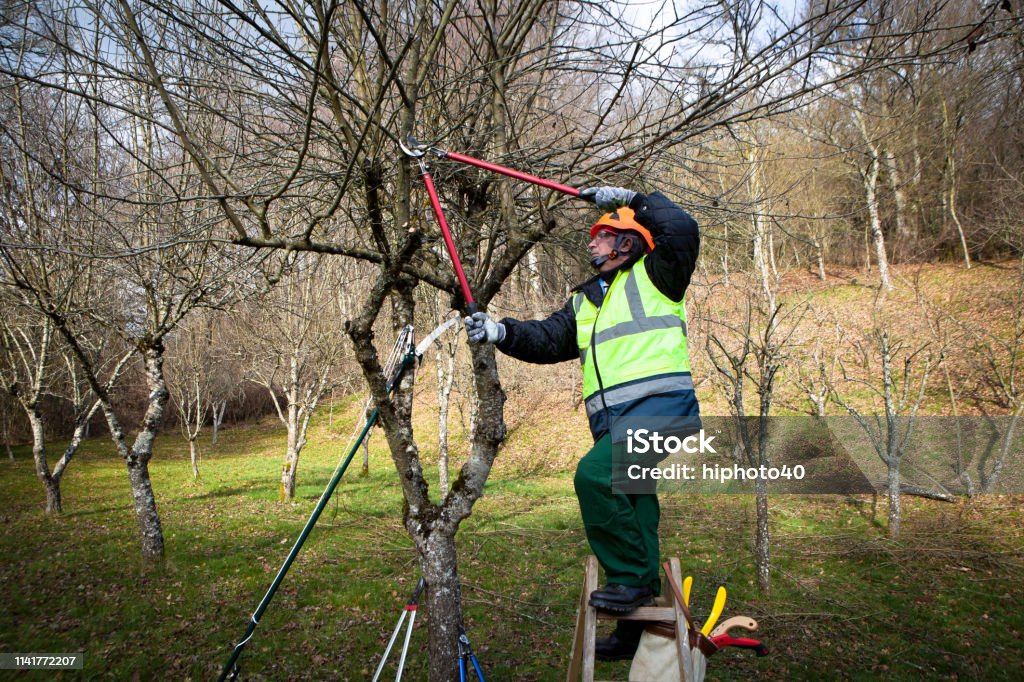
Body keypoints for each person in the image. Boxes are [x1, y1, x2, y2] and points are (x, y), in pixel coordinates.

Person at [464, 185, 701, 660]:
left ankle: (630, 581)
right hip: (617, 422)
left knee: (594, 477)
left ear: (627, 243)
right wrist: (499, 331)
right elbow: (548, 340)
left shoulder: (659, 275)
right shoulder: (585, 301)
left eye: (601, 235)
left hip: (660, 409)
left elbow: (681, 228)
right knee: (637, 509)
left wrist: (636, 198)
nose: (591, 242)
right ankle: (635, 632)